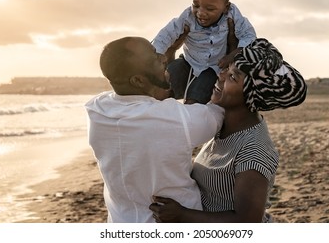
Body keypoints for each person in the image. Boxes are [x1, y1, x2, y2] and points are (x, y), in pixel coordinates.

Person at [149, 38, 307, 222]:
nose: (220, 75)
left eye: (232, 76)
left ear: (252, 95)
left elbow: (248, 221)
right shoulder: (222, 126)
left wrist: (182, 214)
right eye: (227, 69)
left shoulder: (254, 150)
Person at [84, 36, 225, 223]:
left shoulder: (96, 108)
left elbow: (150, 103)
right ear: (138, 81)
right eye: (154, 58)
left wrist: (169, 55)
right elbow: (219, 112)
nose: (163, 58)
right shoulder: (175, 118)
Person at [152, 0, 256, 104]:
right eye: (196, 5)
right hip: (188, 62)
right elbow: (165, 35)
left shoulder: (233, 14)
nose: (200, 12)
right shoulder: (187, 16)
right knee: (158, 88)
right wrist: (157, 54)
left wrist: (232, 55)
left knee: (194, 101)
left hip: (213, 67)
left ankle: (190, 117)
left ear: (225, 7)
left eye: (210, 9)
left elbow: (249, 35)